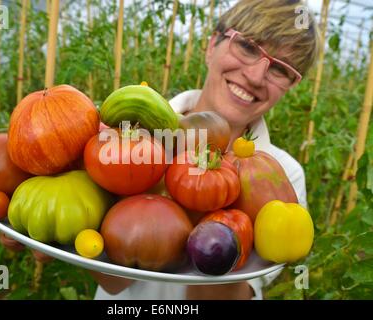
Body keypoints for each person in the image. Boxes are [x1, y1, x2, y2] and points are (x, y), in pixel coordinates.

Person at [91, 0, 320, 300]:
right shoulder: (133, 142)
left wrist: (218, 226)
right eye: (248, 47)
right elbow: (113, 283)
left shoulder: (286, 176)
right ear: (212, 45)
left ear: (290, 87)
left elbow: (230, 295)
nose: (254, 76)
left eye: (279, 69)